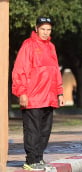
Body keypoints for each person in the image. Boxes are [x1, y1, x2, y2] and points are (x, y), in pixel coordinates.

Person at [12, 17, 64, 171]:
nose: (45, 32)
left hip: (48, 97)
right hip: (33, 97)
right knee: (32, 131)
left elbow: (56, 72)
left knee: (44, 131)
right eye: (43, 29)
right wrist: (22, 92)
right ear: (36, 28)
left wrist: (59, 93)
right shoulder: (28, 45)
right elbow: (19, 70)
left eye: (48, 29)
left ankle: (39, 159)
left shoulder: (51, 47)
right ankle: (30, 160)